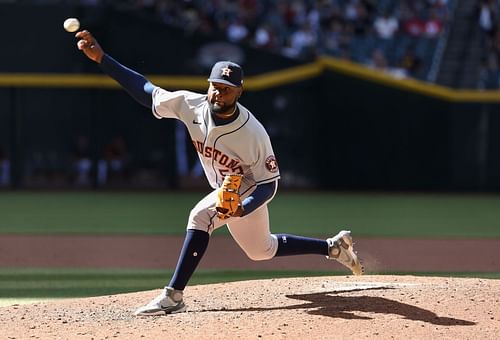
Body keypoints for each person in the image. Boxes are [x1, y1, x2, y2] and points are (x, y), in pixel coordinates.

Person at [74, 30, 363, 316]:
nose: (218, 92)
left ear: (239, 92)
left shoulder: (253, 133)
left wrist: (243, 208)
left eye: (226, 88)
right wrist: (102, 58)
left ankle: (173, 296)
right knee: (260, 250)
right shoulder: (191, 104)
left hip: (249, 185)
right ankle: (332, 247)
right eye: (215, 85)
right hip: (226, 187)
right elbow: (145, 90)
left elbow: (269, 185)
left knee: (200, 217)